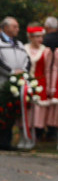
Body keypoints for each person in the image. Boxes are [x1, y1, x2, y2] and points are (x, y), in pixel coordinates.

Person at [0, 17, 31, 150]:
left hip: (15, 84)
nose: (18, 29)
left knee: (11, 113)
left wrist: (23, 72)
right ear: (5, 28)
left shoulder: (19, 44)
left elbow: (28, 61)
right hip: (2, 83)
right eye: (15, 27)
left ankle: (7, 142)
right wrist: (12, 72)